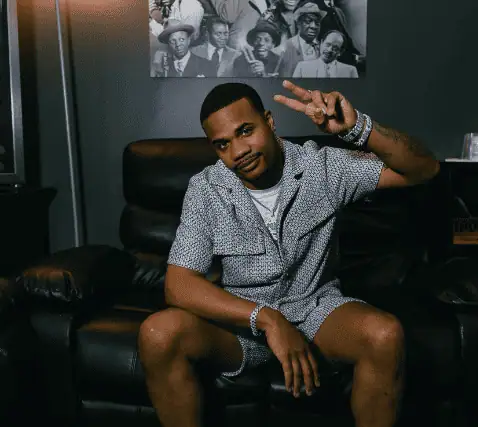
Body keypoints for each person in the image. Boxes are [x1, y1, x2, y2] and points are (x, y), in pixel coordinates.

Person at [138, 80, 440, 427]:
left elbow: (424, 170)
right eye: (223, 144)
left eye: (246, 131)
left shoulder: (322, 167)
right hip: (241, 326)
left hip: (315, 312)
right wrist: (266, 319)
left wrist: (358, 128)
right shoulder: (206, 189)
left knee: (384, 335)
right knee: (158, 334)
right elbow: (178, 284)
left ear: (269, 121)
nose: (238, 151)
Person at [276, 1, 326, 76]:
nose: (313, 26)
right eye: (308, 21)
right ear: (298, 23)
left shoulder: (323, 49)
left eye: (317, 22)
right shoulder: (285, 48)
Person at [151, 21, 215, 77]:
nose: (178, 44)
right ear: (168, 44)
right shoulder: (161, 66)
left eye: (182, 39)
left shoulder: (206, 65)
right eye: (173, 41)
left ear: (188, 40)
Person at [293, 30, 358, 78]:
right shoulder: (302, 67)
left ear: (340, 52)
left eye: (335, 48)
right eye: (327, 44)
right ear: (321, 43)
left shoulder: (350, 71)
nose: (329, 50)